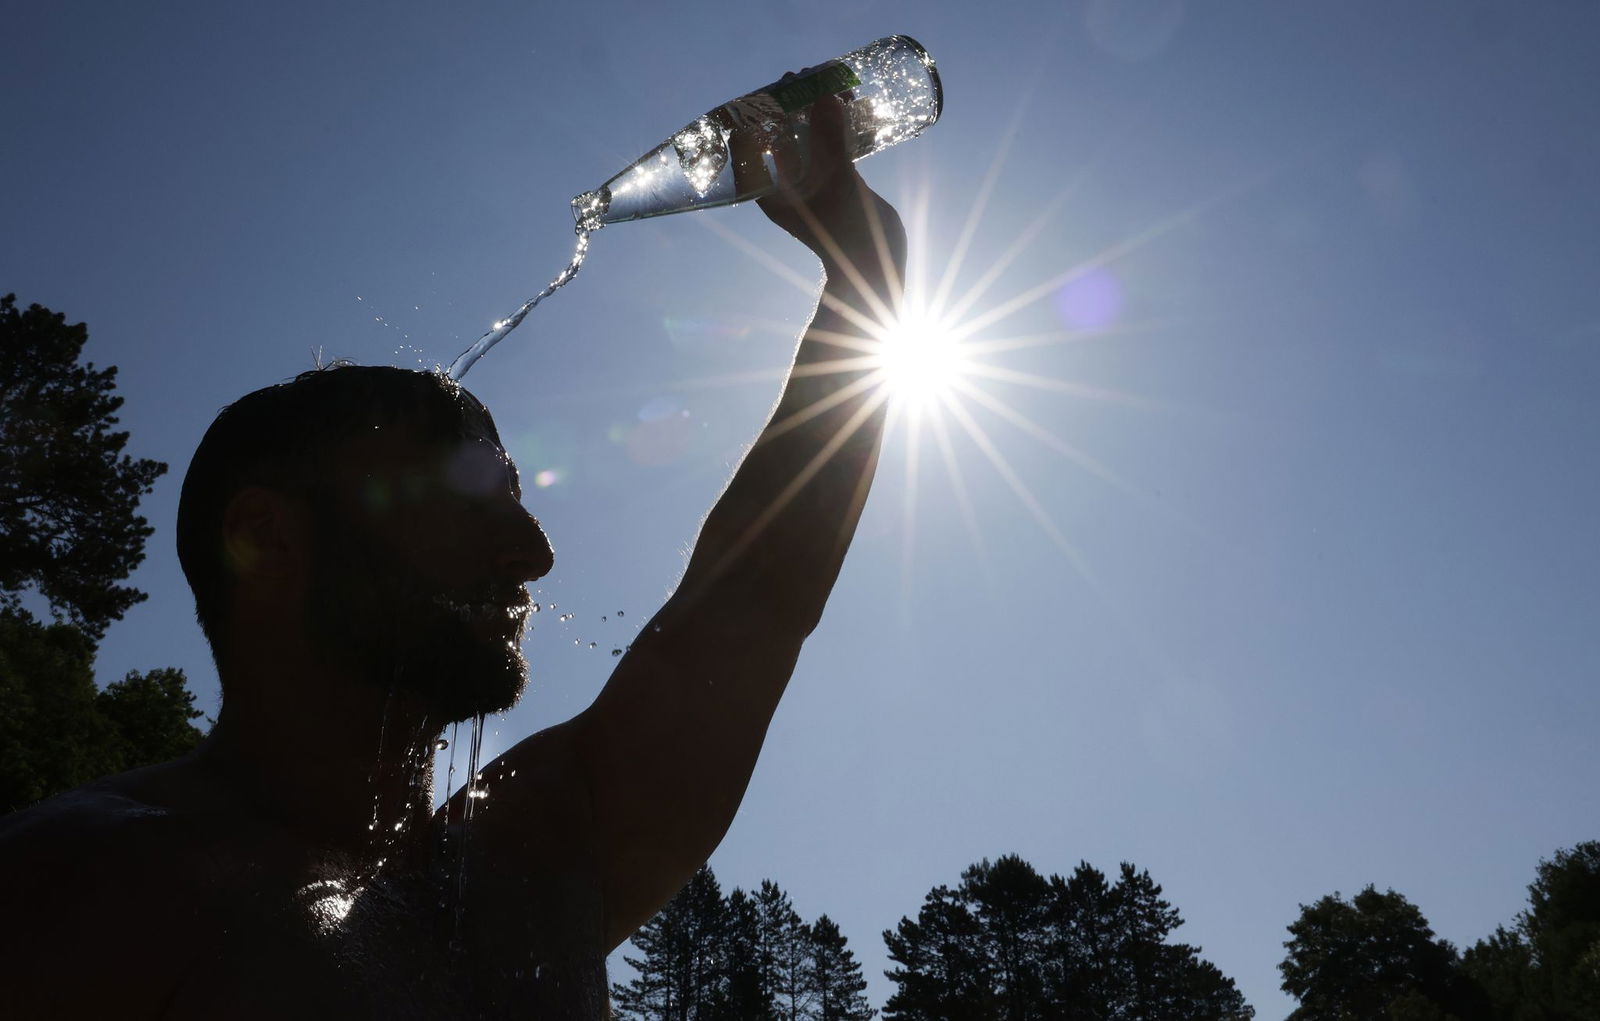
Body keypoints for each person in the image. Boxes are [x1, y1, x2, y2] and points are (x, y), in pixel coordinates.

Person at [0, 93, 905, 1018]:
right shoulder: (82, 886)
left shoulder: (540, 861)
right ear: (267, 538)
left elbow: (758, 593)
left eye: (515, 496)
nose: (535, 550)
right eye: (464, 494)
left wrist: (868, 272)